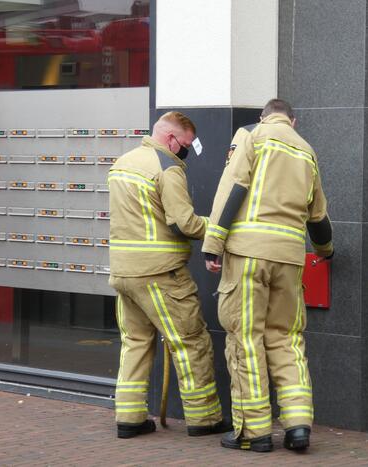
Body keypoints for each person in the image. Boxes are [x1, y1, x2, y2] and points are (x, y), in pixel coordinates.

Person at [202, 98, 333, 452]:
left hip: (248, 254)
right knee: (287, 339)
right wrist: (325, 250)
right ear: (293, 120)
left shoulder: (251, 135)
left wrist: (213, 243)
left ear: (264, 116)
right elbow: (318, 214)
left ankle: (254, 431)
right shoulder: (306, 151)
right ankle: (298, 425)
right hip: (289, 258)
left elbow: (233, 187)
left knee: (246, 339)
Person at [107, 111, 230, 439]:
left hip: (124, 273)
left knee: (135, 343)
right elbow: (183, 222)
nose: (185, 152)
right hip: (160, 274)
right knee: (191, 342)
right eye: (185, 145)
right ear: (171, 138)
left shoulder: (122, 163)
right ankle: (204, 418)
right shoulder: (167, 167)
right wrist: (217, 228)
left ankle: (129, 419)